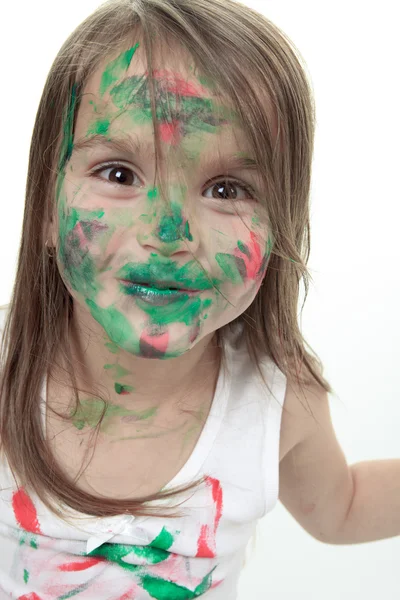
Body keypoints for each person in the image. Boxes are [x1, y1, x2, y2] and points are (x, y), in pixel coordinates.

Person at [0, 0, 365, 597]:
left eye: (226, 189)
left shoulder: (278, 399)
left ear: (281, 230)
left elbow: (342, 507)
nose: (169, 234)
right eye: (119, 174)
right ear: (44, 205)